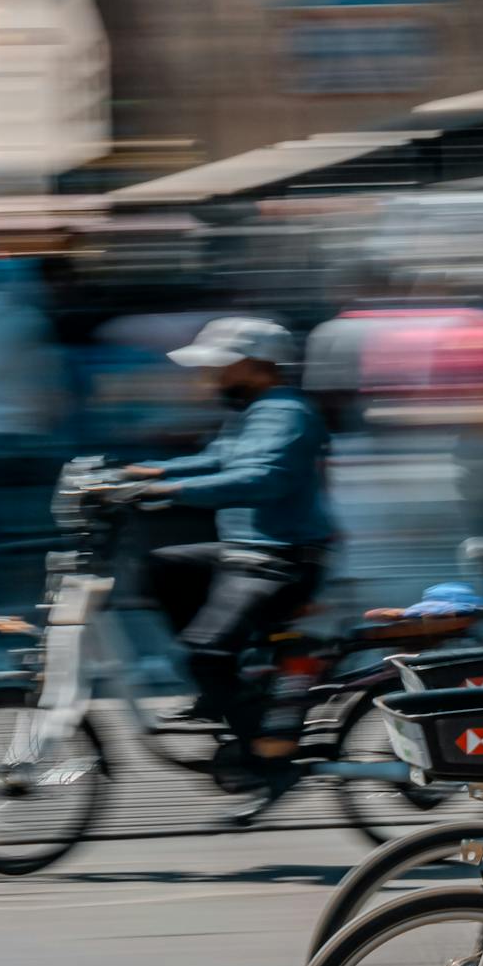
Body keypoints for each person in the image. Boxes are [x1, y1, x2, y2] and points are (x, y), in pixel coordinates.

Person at [129, 317, 333, 772]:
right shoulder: (255, 411)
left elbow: (263, 480)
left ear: (257, 366)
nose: (210, 375)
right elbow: (217, 460)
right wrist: (143, 473)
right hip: (246, 553)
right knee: (164, 567)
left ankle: (262, 754)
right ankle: (221, 688)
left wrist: (171, 492)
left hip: (281, 560)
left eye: (222, 366)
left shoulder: (288, 413)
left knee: (206, 649)